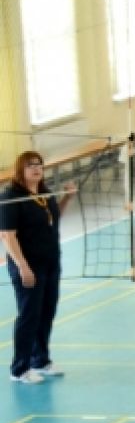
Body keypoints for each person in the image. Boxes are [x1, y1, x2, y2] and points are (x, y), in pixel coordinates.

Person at [1, 151, 74, 384]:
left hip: (51, 262)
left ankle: (40, 360)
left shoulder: (43, 193)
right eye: (30, 165)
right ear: (20, 169)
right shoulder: (11, 197)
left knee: (46, 312)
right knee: (29, 315)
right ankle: (19, 369)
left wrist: (66, 198)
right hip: (28, 264)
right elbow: (7, 236)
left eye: (39, 165)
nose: (36, 168)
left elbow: (52, 218)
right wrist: (23, 266)